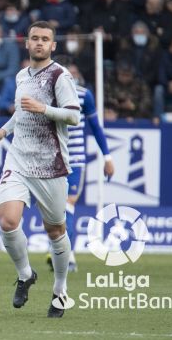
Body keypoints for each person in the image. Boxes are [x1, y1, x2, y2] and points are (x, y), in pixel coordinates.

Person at [0, 21, 80, 318]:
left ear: (53, 45)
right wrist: (3, 131)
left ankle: (59, 290)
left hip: (50, 164)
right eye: (34, 39)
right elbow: (21, 115)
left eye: (45, 39)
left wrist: (46, 110)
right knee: (7, 220)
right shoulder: (20, 76)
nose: (39, 43)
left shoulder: (60, 77)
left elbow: (73, 117)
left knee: (55, 230)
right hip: (18, 159)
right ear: (26, 43)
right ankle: (26, 274)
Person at [45, 69, 113, 273]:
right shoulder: (47, 94)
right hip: (51, 158)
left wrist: (107, 157)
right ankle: (66, 254)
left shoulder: (84, 95)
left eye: (73, 74)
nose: (71, 77)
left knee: (67, 205)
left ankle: (63, 253)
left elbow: (95, 126)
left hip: (74, 159)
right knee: (55, 209)